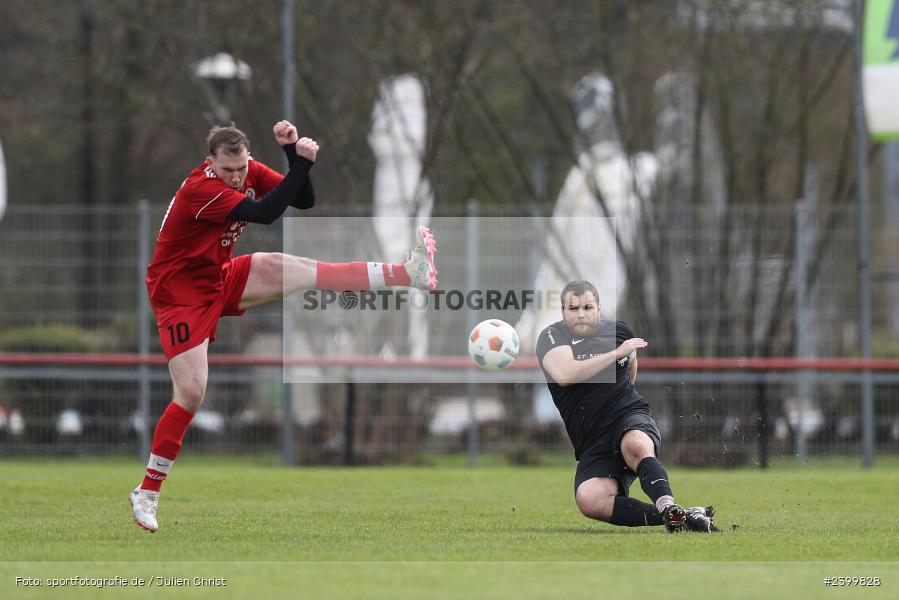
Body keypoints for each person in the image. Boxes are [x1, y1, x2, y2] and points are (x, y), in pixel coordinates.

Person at [129, 121, 438, 532]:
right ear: (211, 163)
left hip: (219, 277)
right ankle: (147, 491)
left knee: (300, 269)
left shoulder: (248, 169)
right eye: (228, 171)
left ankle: (408, 272)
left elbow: (303, 199)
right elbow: (265, 212)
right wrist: (300, 162)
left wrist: (294, 157)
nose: (237, 177)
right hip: (179, 295)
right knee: (191, 391)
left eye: (240, 169)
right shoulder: (200, 190)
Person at [536, 281, 716, 533]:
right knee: (589, 500)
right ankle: (683, 516)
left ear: (599, 308)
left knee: (636, 445)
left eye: (587, 306)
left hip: (628, 417)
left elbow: (631, 368)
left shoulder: (618, 331)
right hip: (592, 441)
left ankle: (667, 505)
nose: (581, 313)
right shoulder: (552, 337)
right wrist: (616, 354)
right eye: (573, 308)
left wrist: (622, 365)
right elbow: (565, 373)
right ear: (563, 312)